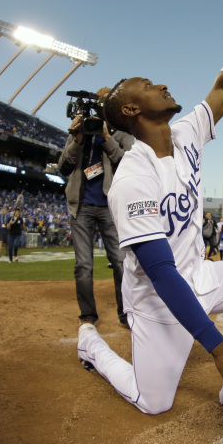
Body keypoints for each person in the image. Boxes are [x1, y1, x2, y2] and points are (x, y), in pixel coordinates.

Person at [79, 0, 223, 415]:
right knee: (153, 402)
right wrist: (218, 348)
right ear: (131, 110)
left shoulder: (185, 135)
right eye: (148, 84)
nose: (160, 84)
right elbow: (159, 272)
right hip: (157, 300)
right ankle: (92, 345)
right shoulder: (132, 178)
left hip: (202, 275)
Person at [58, 87, 132, 326]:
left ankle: (125, 313)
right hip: (81, 208)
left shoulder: (120, 133)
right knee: (83, 265)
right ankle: (88, 315)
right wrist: (77, 140)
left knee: (121, 263)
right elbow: (64, 167)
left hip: (110, 207)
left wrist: (107, 138)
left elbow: (126, 164)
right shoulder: (79, 131)